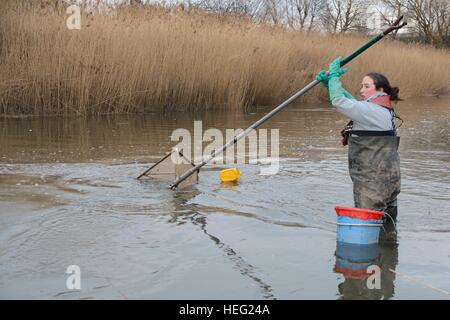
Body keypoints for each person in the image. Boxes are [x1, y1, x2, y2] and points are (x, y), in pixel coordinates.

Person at [316, 57, 402, 227]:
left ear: (380, 90)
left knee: (366, 233)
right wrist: (330, 85)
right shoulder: (382, 110)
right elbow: (353, 104)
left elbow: (340, 101)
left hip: (372, 187)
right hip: (390, 183)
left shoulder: (372, 111)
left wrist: (334, 76)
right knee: (388, 232)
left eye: (366, 86)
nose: (361, 89)